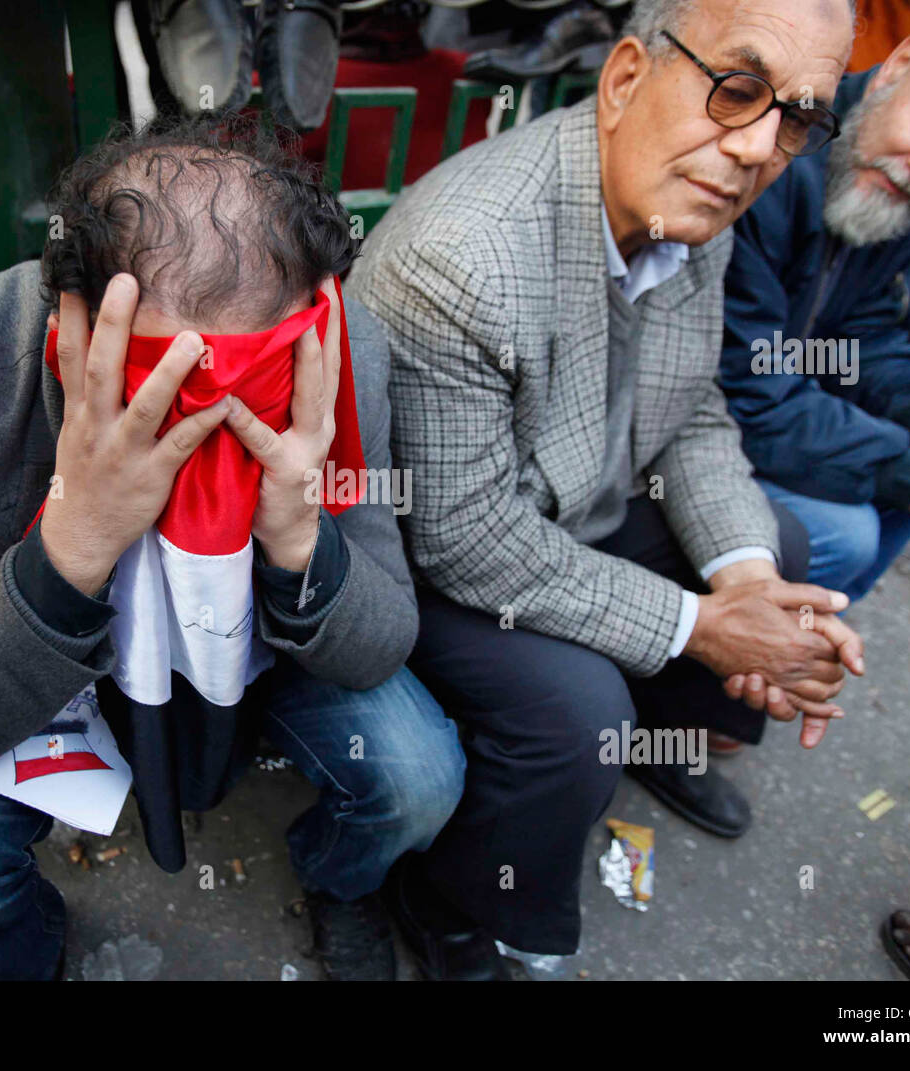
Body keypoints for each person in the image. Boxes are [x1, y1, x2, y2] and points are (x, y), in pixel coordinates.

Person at [0, 116, 465, 982]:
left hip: (264, 647)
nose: (207, 433)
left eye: (246, 387)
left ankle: (341, 876)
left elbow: (382, 637)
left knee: (417, 776)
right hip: (39, 660)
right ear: (74, 324)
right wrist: (72, 542)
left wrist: (299, 536)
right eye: (170, 392)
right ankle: (29, 956)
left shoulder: (340, 351)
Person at [348, 0, 864, 977]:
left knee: (775, 550)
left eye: (796, 117)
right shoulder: (462, 259)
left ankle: (663, 746)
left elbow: (695, 414)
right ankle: (450, 898)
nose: (758, 147)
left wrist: (746, 588)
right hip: (427, 554)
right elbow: (464, 538)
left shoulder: (695, 191)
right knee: (576, 713)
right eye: (738, 88)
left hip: (569, 504)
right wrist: (700, 625)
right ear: (625, 75)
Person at [720, 0, 910, 605]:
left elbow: (863, 338)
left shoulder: (890, 170)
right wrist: (905, 472)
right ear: (900, 63)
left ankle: (804, 642)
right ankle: (747, 650)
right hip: (686, 425)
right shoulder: (774, 154)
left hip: (771, 389)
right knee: (847, 530)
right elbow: (743, 385)